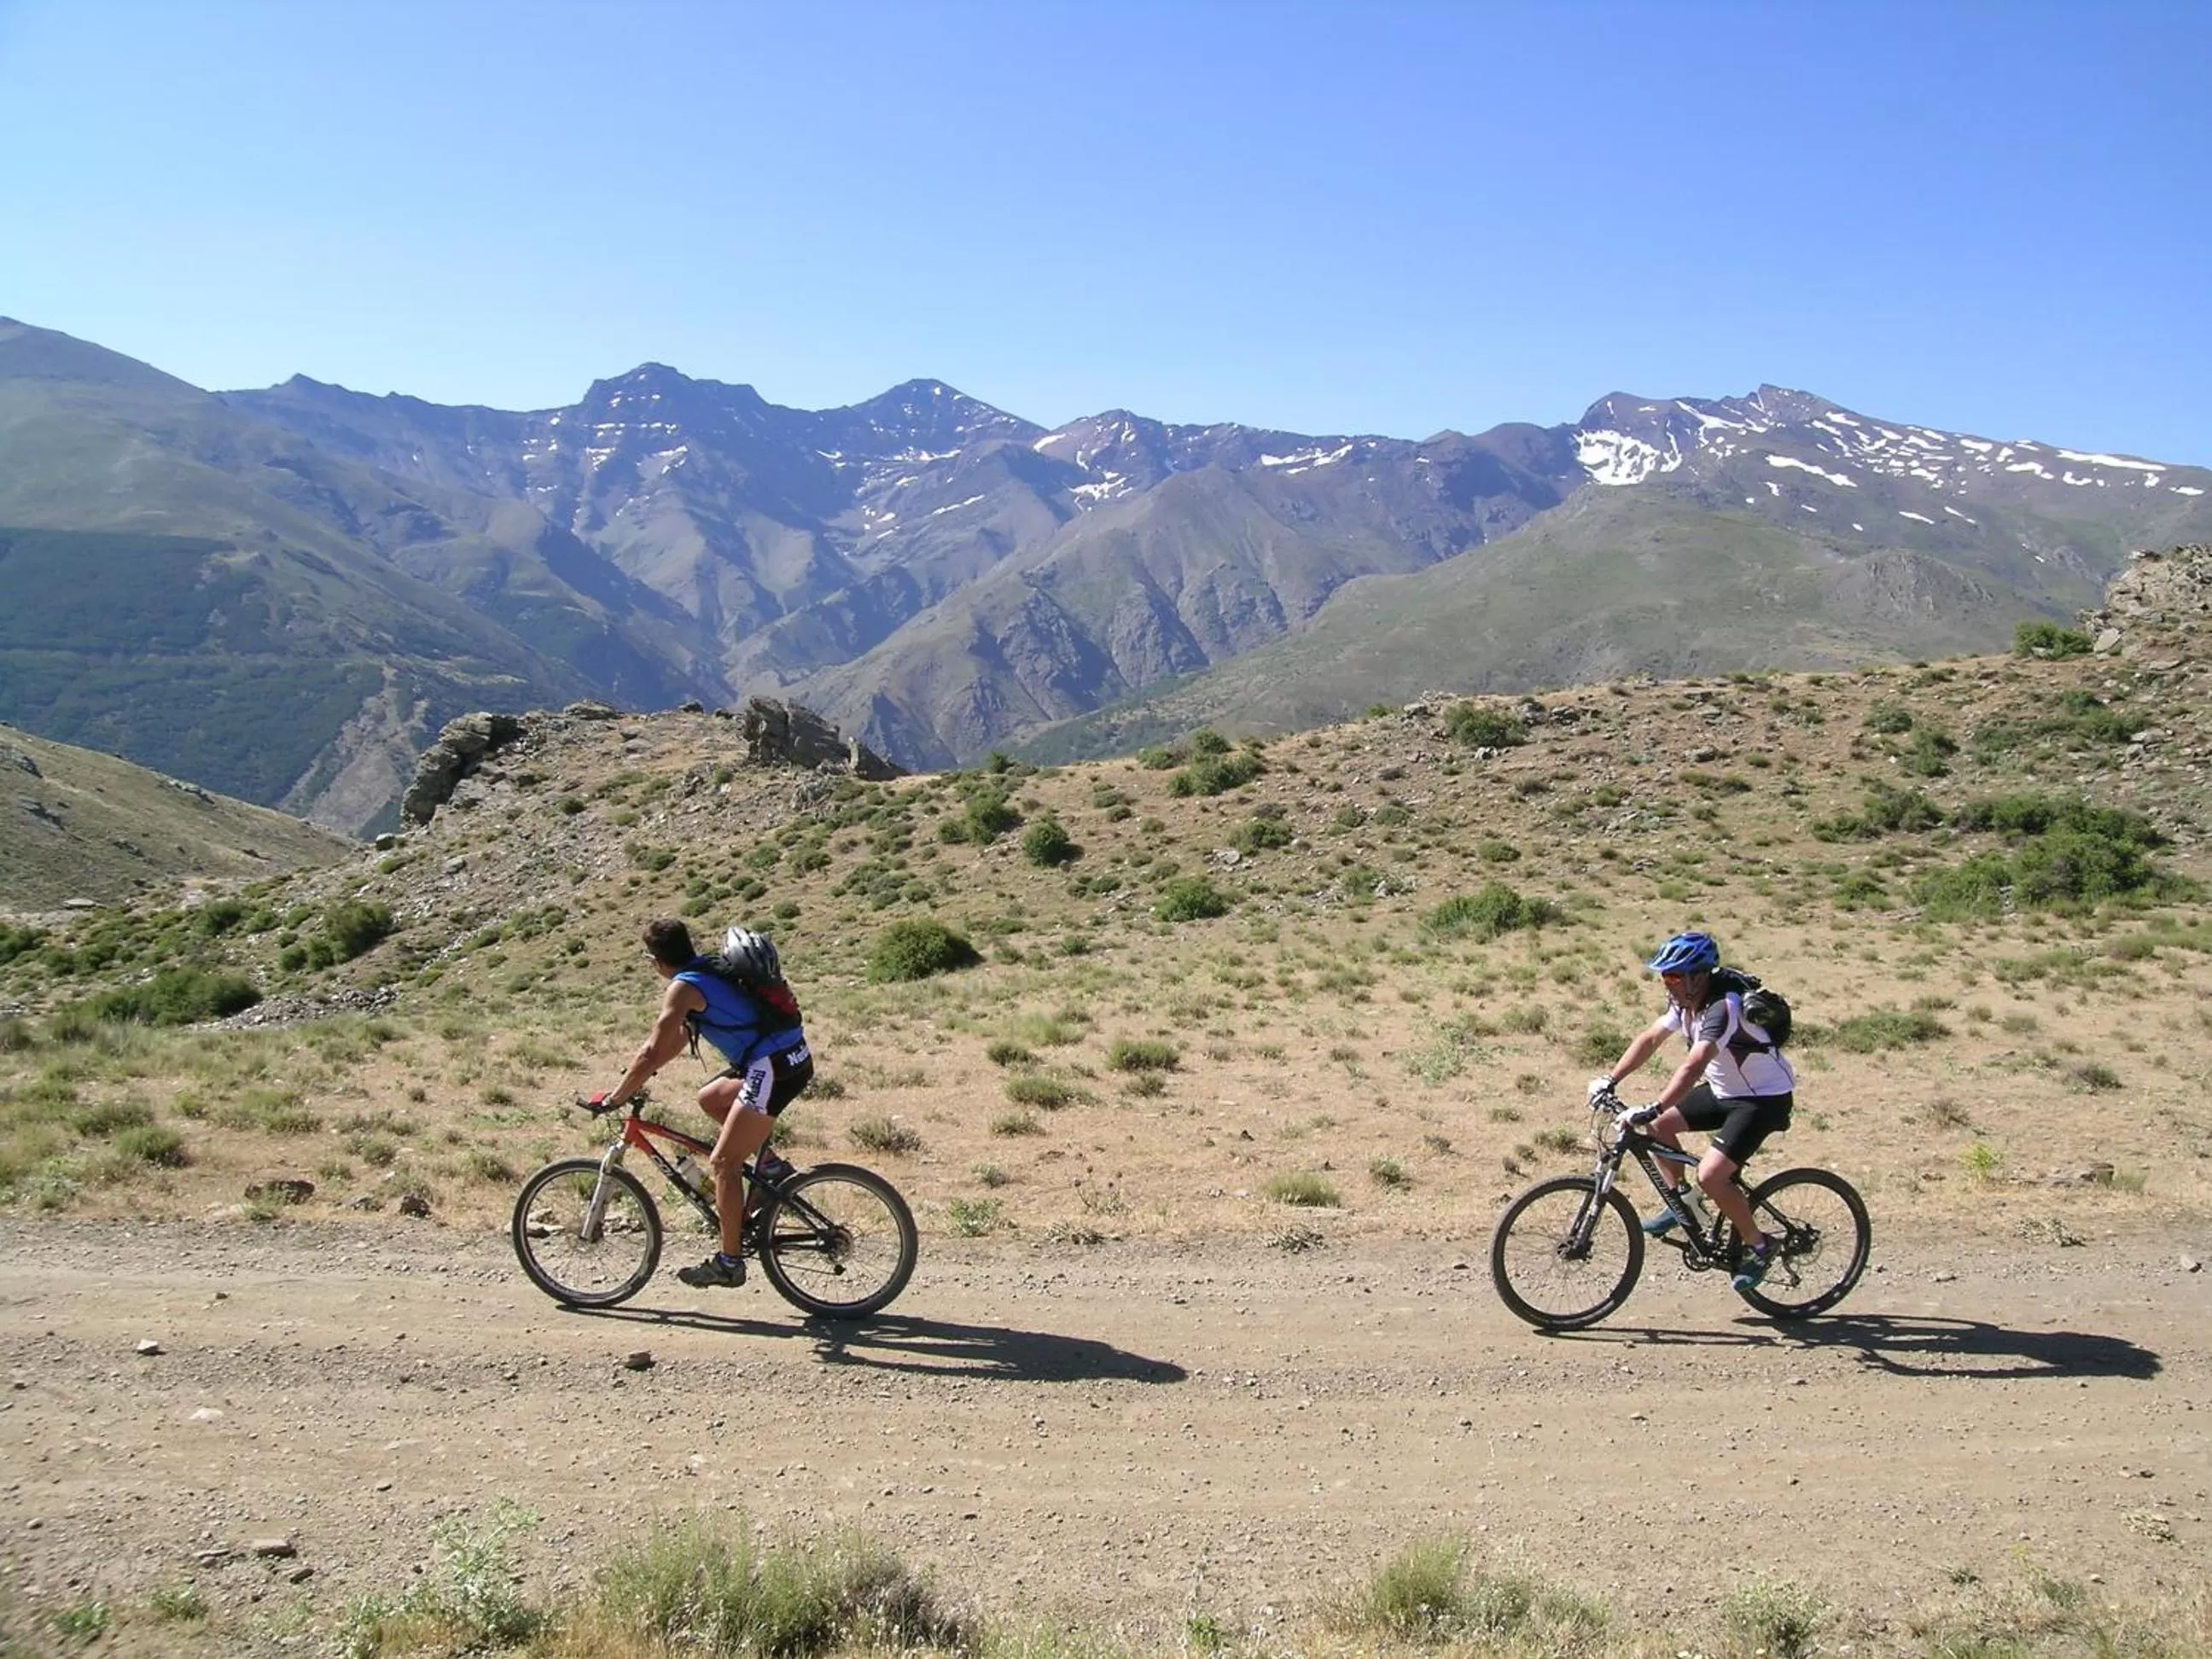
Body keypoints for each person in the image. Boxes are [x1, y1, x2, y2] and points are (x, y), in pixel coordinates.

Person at [598, 918, 812, 1289]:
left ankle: (730, 1263)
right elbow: (677, 1040)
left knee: (724, 1164)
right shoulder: (708, 970)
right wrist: (638, 1077)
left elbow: (651, 1051)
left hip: (772, 1067)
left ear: (655, 961)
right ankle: (771, 1169)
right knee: (711, 1098)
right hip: (789, 1057)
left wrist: (617, 1096)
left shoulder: (684, 987)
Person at [1589, 930, 1795, 1292]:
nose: (1666, 983)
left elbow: (1694, 1064)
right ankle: (1686, 1204)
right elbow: (1650, 1039)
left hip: (1762, 1100)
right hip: (1724, 1091)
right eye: (1664, 976)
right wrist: (1611, 1078)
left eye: (1673, 976)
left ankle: (1761, 1245)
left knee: (1712, 1175)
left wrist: (1656, 1104)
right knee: (1658, 1127)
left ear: (1697, 977)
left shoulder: (1723, 1008)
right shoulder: (1684, 1003)